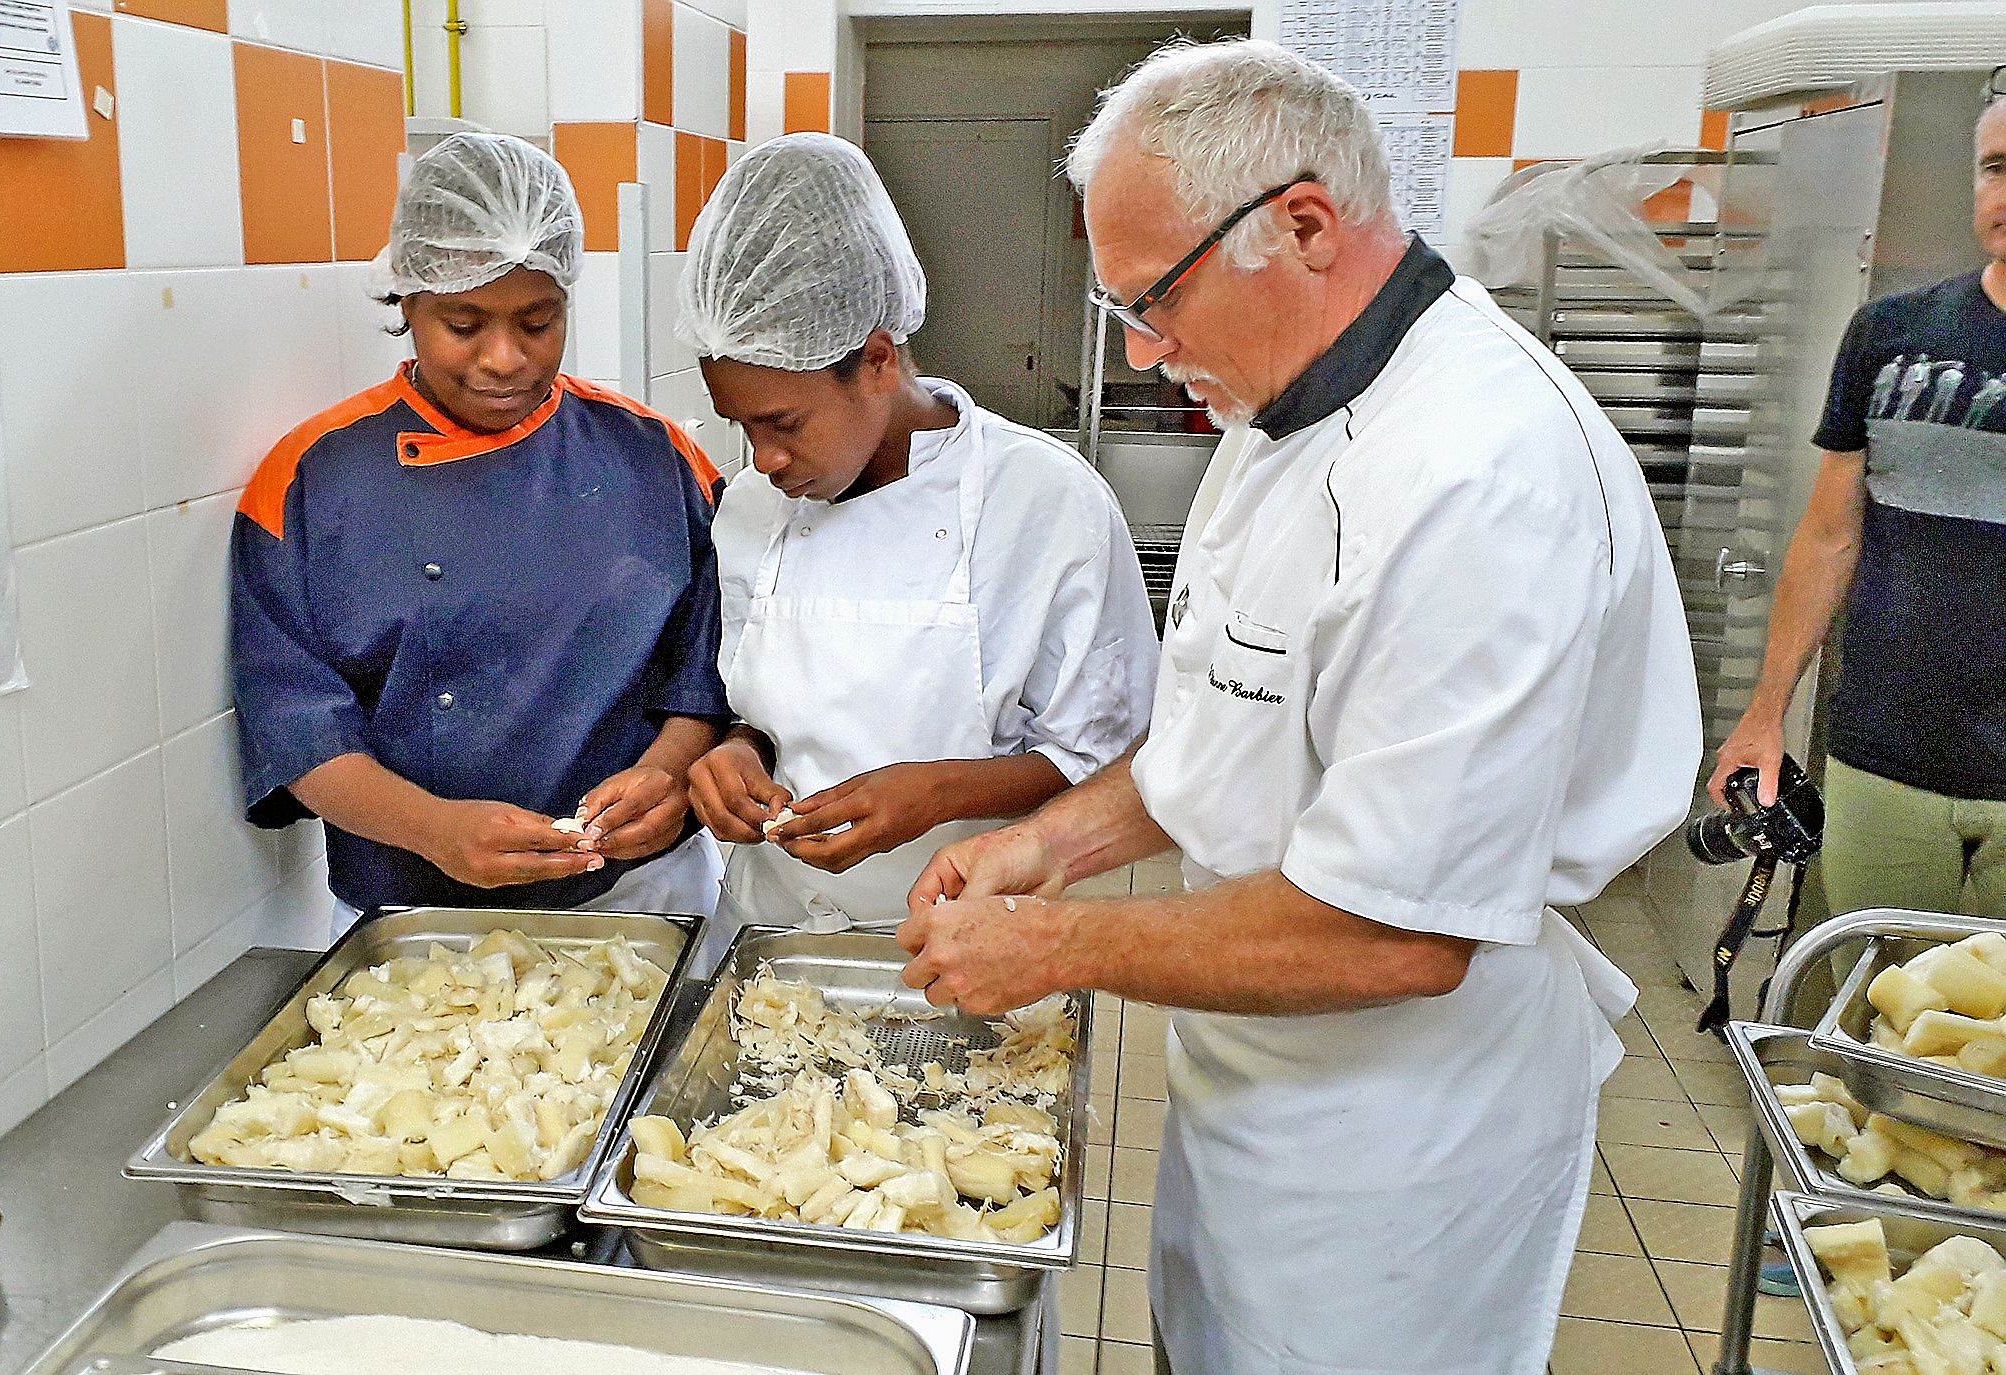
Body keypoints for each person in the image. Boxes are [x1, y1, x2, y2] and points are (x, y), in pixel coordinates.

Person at [893, 41, 1701, 1375]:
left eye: (1155, 301)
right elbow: (1233, 721)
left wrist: (1052, 947)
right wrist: (1056, 845)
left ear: (1304, 225)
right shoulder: (1284, 411)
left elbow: (1396, 936)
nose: (1150, 356)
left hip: (1397, 1137)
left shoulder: (1477, 478)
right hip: (1255, 1086)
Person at [673, 133, 1157, 972]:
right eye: (741, 424)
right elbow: (755, 699)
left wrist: (935, 792)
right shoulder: (750, 509)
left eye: (782, 423)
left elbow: (1106, 752)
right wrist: (735, 753)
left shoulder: (1042, 501)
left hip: (963, 949)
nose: (763, 460)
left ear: (875, 360)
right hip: (763, 942)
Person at [230, 133, 729, 941]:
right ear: (407, 303)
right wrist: (434, 830)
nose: (504, 359)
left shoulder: (654, 456)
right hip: (410, 912)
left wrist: (667, 774)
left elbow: (706, 667)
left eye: (538, 321)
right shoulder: (310, 482)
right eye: (463, 323)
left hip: (642, 896)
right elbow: (295, 723)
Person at [1711, 99, 2006, 919]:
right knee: (1876, 1010)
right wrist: (1764, 713)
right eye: (1995, 168)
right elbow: (1828, 535)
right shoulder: (1890, 334)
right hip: (1885, 758)